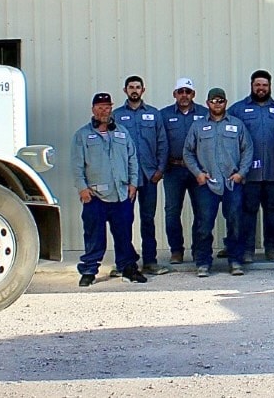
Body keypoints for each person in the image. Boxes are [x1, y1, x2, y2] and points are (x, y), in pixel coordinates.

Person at [73, 92, 147, 286]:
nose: (104, 111)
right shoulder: (82, 135)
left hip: (121, 194)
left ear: (112, 108)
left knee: (124, 235)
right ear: (93, 110)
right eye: (100, 107)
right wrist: (82, 188)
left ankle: (128, 268)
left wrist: (133, 184)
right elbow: (77, 165)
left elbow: (133, 159)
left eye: (107, 107)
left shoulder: (122, 132)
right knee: (94, 236)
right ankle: (89, 270)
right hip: (95, 196)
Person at [183, 87, 252, 276]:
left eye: (220, 100)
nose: (217, 104)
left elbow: (248, 150)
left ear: (226, 103)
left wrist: (241, 173)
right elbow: (187, 152)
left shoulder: (237, 125)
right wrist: (198, 173)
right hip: (208, 184)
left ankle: (235, 261)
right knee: (204, 224)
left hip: (232, 183)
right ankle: (203, 262)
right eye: (213, 101)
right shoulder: (198, 126)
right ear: (207, 103)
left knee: (236, 222)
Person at [114, 76, 171, 275]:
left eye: (138, 87)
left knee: (148, 219)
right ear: (125, 90)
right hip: (126, 179)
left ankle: (150, 261)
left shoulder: (154, 115)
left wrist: (160, 170)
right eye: (131, 87)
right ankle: (126, 262)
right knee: (123, 220)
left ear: (143, 90)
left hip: (149, 176)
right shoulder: (116, 116)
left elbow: (163, 143)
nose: (134, 90)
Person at [230, 70, 274, 262]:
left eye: (264, 85)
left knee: (273, 212)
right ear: (252, 85)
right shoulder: (238, 110)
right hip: (249, 173)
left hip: (273, 171)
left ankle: (272, 249)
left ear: (270, 86)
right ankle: (247, 250)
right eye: (257, 85)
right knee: (248, 211)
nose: (261, 88)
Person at [158, 78, 209, 265]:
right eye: (180, 91)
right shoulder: (163, 115)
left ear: (193, 94)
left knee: (202, 212)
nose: (184, 95)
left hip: (198, 172)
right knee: (172, 212)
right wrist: (160, 168)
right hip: (174, 169)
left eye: (188, 91)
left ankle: (199, 250)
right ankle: (176, 251)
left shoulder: (205, 114)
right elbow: (160, 143)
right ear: (175, 94)